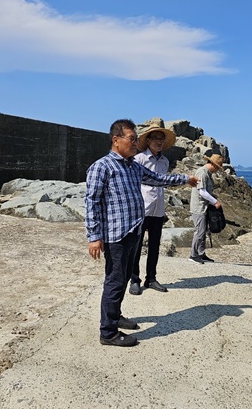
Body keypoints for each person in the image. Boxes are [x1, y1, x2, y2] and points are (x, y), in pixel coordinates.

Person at [85, 119, 198, 347]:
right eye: (132, 139)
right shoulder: (102, 166)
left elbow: (158, 179)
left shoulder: (133, 165)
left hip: (133, 232)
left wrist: (185, 179)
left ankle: (115, 317)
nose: (136, 143)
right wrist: (94, 237)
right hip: (116, 235)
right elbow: (92, 202)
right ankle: (108, 333)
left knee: (125, 278)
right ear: (116, 140)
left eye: (136, 139)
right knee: (115, 281)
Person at [129, 124, 177, 295]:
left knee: (154, 247)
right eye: (155, 138)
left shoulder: (165, 161)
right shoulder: (139, 159)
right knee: (136, 246)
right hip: (142, 210)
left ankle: (151, 278)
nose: (158, 141)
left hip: (158, 211)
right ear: (148, 140)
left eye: (161, 138)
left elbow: (163, 183)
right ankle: (134, 279)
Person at [189, 154, 224, 264]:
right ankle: (193, 255)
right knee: (200, 231)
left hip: (204, 207)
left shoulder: (207, 174)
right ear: (213, 165)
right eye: (218, 167)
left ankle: (201, 254)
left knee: (204, 231)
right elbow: (202, 191)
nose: (217, 170)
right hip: (198, 207)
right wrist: (215, 201)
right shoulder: (202, 173)